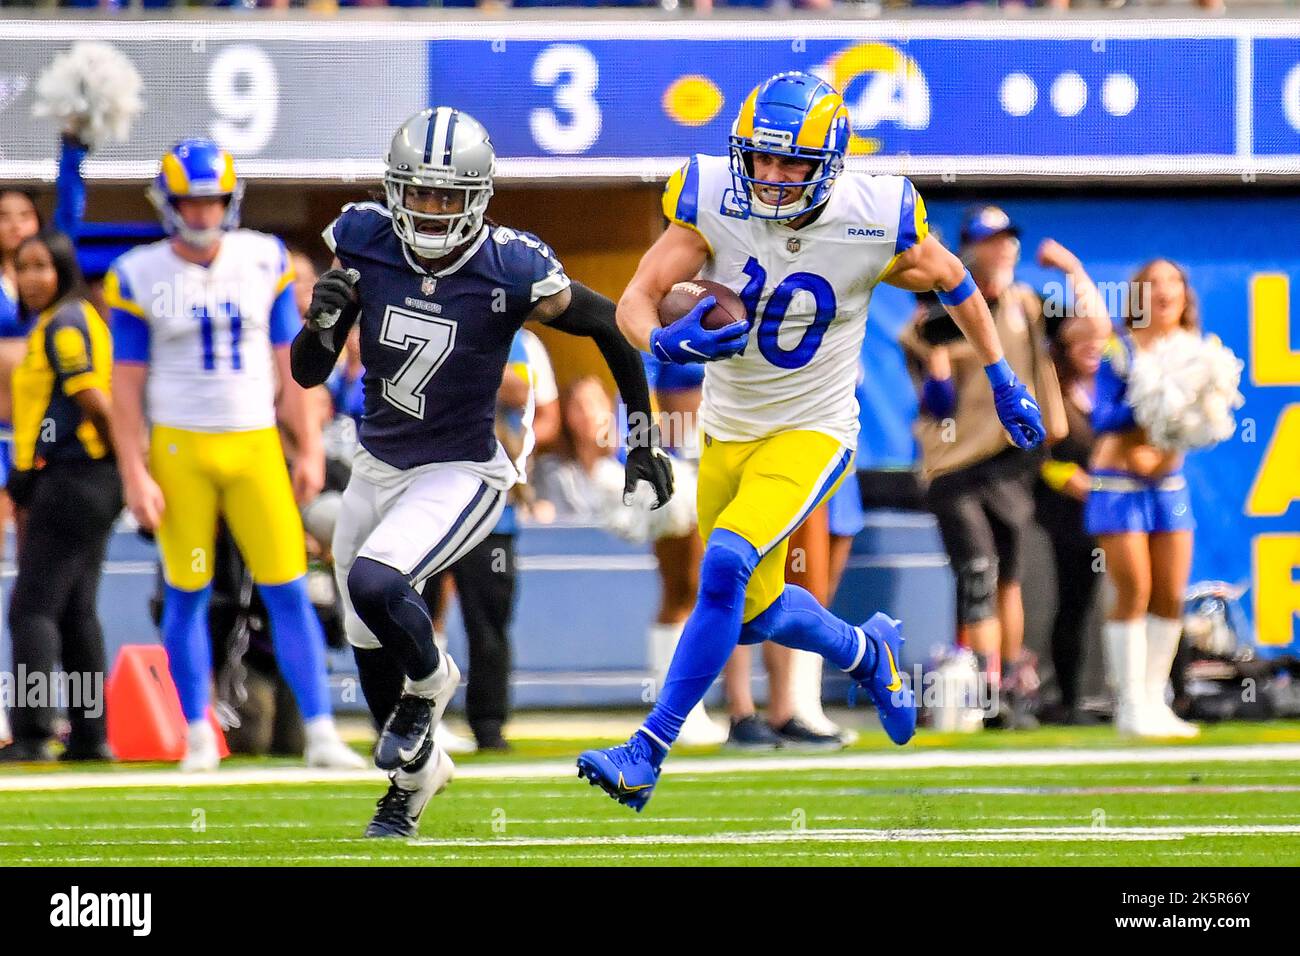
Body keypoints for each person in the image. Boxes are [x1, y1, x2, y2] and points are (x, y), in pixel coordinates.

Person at [577, 71, 1045, 812]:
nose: (769, 175)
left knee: (723, 562)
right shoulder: (710, 199)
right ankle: (868, 652)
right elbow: (634, 299)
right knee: (753, 611)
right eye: (759, 158)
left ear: (828, 162)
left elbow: (955, 280)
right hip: (727, 430)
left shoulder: (874, 213)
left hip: (812, 428)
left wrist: (1002, 374)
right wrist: (662, 342)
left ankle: (648, 747)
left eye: (790, 161)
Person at [290, 107, 671, 838]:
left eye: (447, 194)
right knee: (366, 641)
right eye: (419, 192)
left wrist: (644, 438)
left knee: (376, 582)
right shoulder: (364, 241)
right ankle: (413, 779)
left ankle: (435, 680)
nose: (432, 209)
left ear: (479, 196)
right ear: (394, 190)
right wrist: (321, 325)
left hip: (461, 469)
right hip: (377, 462)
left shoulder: (512, 266)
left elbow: (612, 326)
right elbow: (310, 376)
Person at [105, 138, 362, 772]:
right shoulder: (138, 273)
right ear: (168, 204)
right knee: (188, 589)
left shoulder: (263, 258)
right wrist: (134, 471)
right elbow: (126, 385)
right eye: (190, 202)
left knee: (288, 588)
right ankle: (196, 730)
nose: (201, 214)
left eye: (212, 201)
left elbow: (289, 362)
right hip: (180, 446)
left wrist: (305, 445)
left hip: (253, 443)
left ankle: (323, 731)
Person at [900, 222, 1103, 729]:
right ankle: (986, 691)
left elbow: (1093, 329)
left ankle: (1010, 686)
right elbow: (937, 401)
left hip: (1012, 460)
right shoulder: (934, 318)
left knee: (1009, 575)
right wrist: (941, 363)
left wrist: (1075, 270)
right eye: (989, 240)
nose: (1003, 247)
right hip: (955, 466)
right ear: (968, 250)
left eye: (1007, 238)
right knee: (978, 574)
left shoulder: (1029, 304)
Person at [0, 231, 120, 762]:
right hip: (87, 479)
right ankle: (91, 736)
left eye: (41, 267)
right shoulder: (64, 319)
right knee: (75, 612)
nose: (30, 279)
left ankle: (31, 733)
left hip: (75, 478)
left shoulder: (66, 324)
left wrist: (125, 467)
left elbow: (88, 398)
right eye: (22, 269)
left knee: (31, 609)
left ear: (64, 270)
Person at [1087, 259, 1201, 739]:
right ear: (1138, 295)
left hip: (1169, 487)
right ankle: (1129, 703)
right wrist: (1146, 399)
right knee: (1132, 589)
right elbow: (1101, 418)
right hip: (1119, 487)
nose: (1165, 292)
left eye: (1173, 282)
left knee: (1171, 593)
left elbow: (1205, 418)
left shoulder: (1197, 353)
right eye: (1153, 284)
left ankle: (1156, 700)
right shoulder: (1120, 349)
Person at [1035, 308, 1109, 725]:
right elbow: (1041, 457)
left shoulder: (1116, 388)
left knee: (1148, 597)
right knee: (1074, 604)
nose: (1092, 350)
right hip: (1070, 516)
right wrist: (1069, 479)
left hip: (1120, 509)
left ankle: (1169, 693)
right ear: (1063, 349)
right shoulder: (1052, 392)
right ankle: (1070, 699)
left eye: (1098, 343)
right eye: (1081, 343)